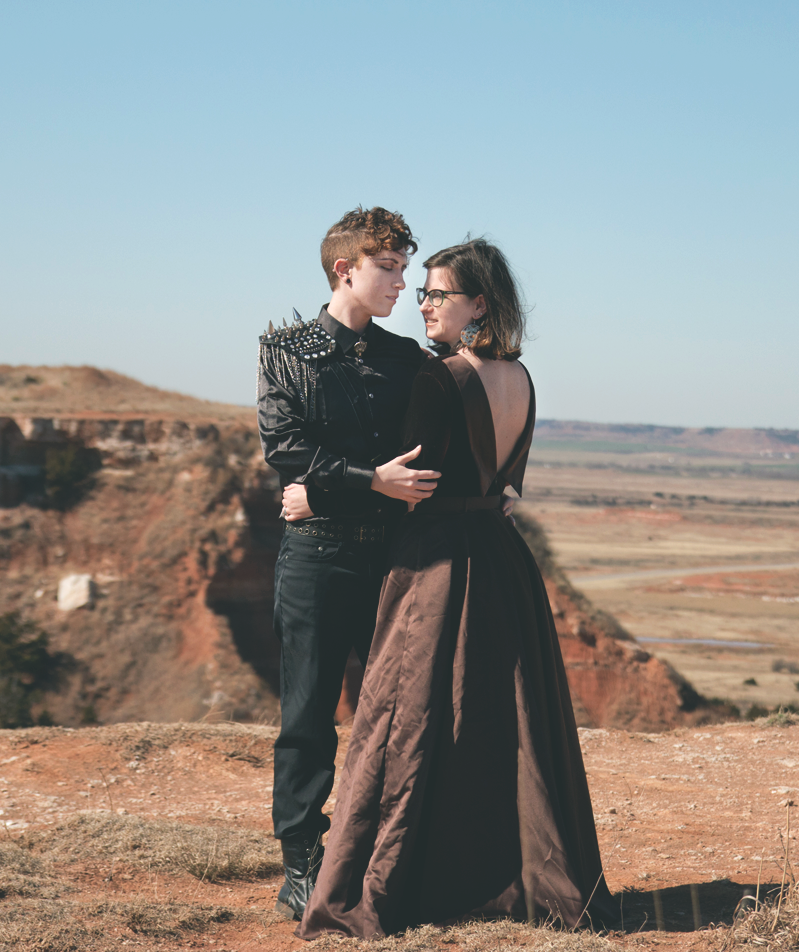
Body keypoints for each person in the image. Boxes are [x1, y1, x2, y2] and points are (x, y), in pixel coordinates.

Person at [298, 238, 620, 939]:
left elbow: (405, 489)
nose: (423, 303)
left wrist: (315, 496)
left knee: (407, 721)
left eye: (438, 293)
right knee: (506, 727)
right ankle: (514, 878)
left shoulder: (439, 378)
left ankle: (401, 883)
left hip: (437, 565)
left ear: (479, 303)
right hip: (503, 563)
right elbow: (507, 487)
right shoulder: (522, 377)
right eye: (421, 291)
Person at [257, 206, 441, 921]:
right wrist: (368, 480)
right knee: (305, 713)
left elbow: (437, 446)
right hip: (315, 560)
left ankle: (382, 857)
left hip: (396, 562)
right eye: (389, 268)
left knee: (394, 713)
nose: (404, 285)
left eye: (404, 268)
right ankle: (301, 861)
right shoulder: (285, 350)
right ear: (346, 269)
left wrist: (501, 483)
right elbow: (284, 450)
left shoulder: (407, 361)